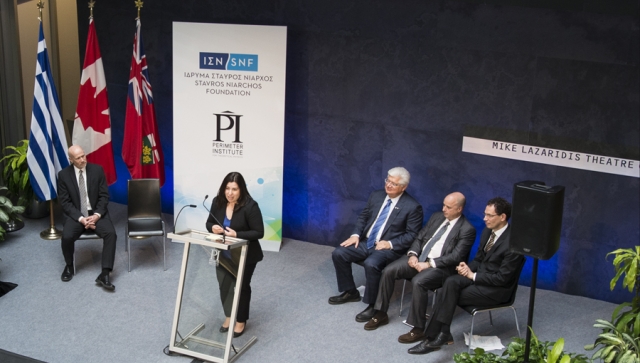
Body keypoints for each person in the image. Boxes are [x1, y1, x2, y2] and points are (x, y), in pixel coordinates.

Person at [407, 197, 525, 355]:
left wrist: (473, 275)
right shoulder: (488, 231)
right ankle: (442, 334)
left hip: (497, 290)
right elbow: (478, 259)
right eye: (485, 214)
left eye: (490, 215)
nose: (485, 218)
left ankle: (433, 338)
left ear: (502, 217)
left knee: (446, 294)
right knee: (449, 283)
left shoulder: (513, 244)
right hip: (479, 277)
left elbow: (502, 279)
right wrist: (467, 268)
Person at [364, 192, 476, 343]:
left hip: (441, 268)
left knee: (419, 281)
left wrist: (429, 264)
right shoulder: (437, 217)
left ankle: (418, 329)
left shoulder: (467, 229)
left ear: (459, 209)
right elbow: (419, 237)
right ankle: (381, 313)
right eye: (443, 205)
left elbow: (455, 257)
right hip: (419, 259)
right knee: (389, 270)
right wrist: (413, 254)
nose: (444, 209)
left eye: (448, 207)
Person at [329, 167, 423, 323]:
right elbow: (363, 216)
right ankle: (350, 291)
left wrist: (390, 243)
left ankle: (373, 304)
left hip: (389, 248)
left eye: (394, 183)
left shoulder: (412, 206)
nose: (389, 185)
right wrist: (355, 235)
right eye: (388, 180)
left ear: (404, 187)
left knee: (371, 263)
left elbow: (412, 235)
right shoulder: (376, 195)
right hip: (367, 242)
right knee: (339, 253)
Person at [206, 172, 264, 338]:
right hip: (222, 253)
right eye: (227, 188)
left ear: (241, 190)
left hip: (245, 254)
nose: (230, 193)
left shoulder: (250, 206)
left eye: (234, 189)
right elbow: (208, 222)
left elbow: (259, 232)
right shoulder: (217, 202)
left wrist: (236, 234)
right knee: (225, 285)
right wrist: (212, 228)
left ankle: (240, 320)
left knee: (241, 287)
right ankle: (229, 316)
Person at [58, 145, 117, 291]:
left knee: (111, 234)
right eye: (78, 158)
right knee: (66, 236)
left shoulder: (97, 170)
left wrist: (96, 215)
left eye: (83, 156)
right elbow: (65, 202)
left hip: (96, 213)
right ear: (71, 160)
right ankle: (69, 265)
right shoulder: (63, 175)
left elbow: (104, 196)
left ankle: (105, 273)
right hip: (77, 215)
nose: (83, 159)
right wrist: (81, 219)